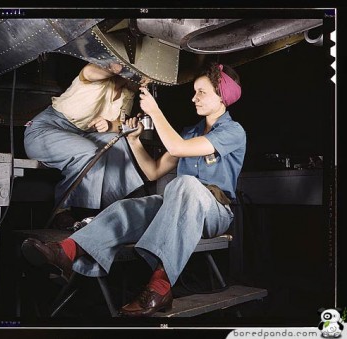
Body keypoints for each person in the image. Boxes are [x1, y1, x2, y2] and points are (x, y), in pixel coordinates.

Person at [21, 62, 246, 317]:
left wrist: (155, 112)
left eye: (202, 92)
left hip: (215, 212)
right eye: (194, 91)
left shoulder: (233, 132)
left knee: (185, 184)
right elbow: (153, 171)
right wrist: (134, 140)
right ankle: (66, 252)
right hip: (179, 204)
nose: (194, 98)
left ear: (222, 97)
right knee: (129, 207)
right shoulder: (189, 132)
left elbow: (177, 149)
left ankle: (160, 287)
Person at [23, 62, 145, 225]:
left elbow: (119, 124)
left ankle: (113, 209)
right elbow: (88, 72)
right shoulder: (98, 75)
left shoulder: (128, 91)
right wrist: (115, 68)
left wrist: (109, 125)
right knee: (88, 151)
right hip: (45, 130)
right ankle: (63, 211)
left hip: (81, 136)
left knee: (118, 143)